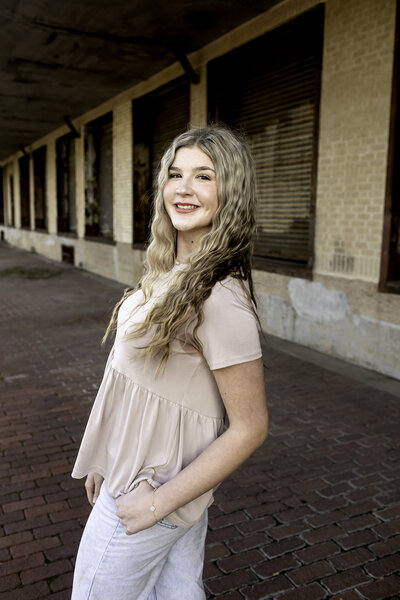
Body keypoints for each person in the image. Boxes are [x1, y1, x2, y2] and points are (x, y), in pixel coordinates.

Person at [71, 125, 268, 599]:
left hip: (150, 494)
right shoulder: (170, 272)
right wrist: (108, 454)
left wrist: (157, 503)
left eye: (204, 176)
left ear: (231, 192)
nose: (183, 188)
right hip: (144, 480)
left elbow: (251, 426)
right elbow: (135, 381)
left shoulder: (220, 297)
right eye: (175, 174)